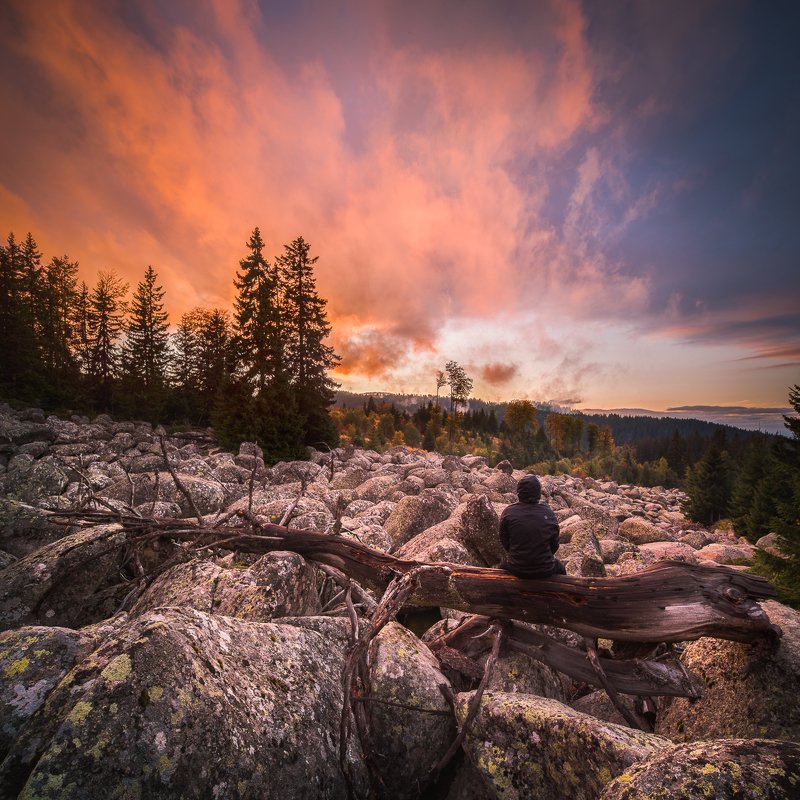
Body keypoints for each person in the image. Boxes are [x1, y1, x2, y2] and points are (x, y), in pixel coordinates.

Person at [499, 474, 566, 578]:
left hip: (516, 568)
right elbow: (554, 544)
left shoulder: (508, 512)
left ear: (519, 493)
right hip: (545, 569)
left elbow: (505, 541)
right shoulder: (549, 513)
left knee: (500, 567)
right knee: (561, 568)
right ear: (538, 493)